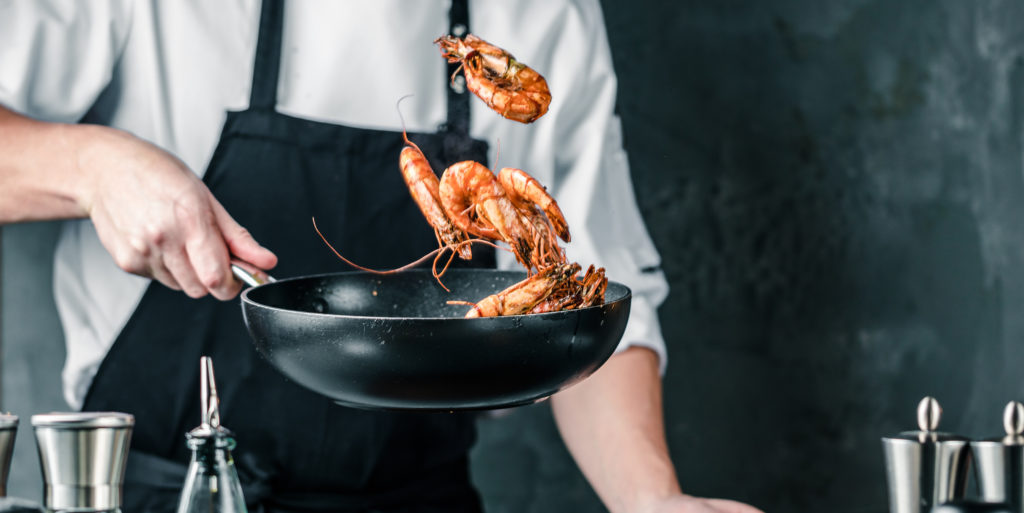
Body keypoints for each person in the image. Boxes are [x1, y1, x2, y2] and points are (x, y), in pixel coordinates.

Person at [0, 1, 763, 512]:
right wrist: (91, 166)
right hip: (171, 493)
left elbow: (585, 302)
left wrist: (653, 500)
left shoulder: (538, 17)